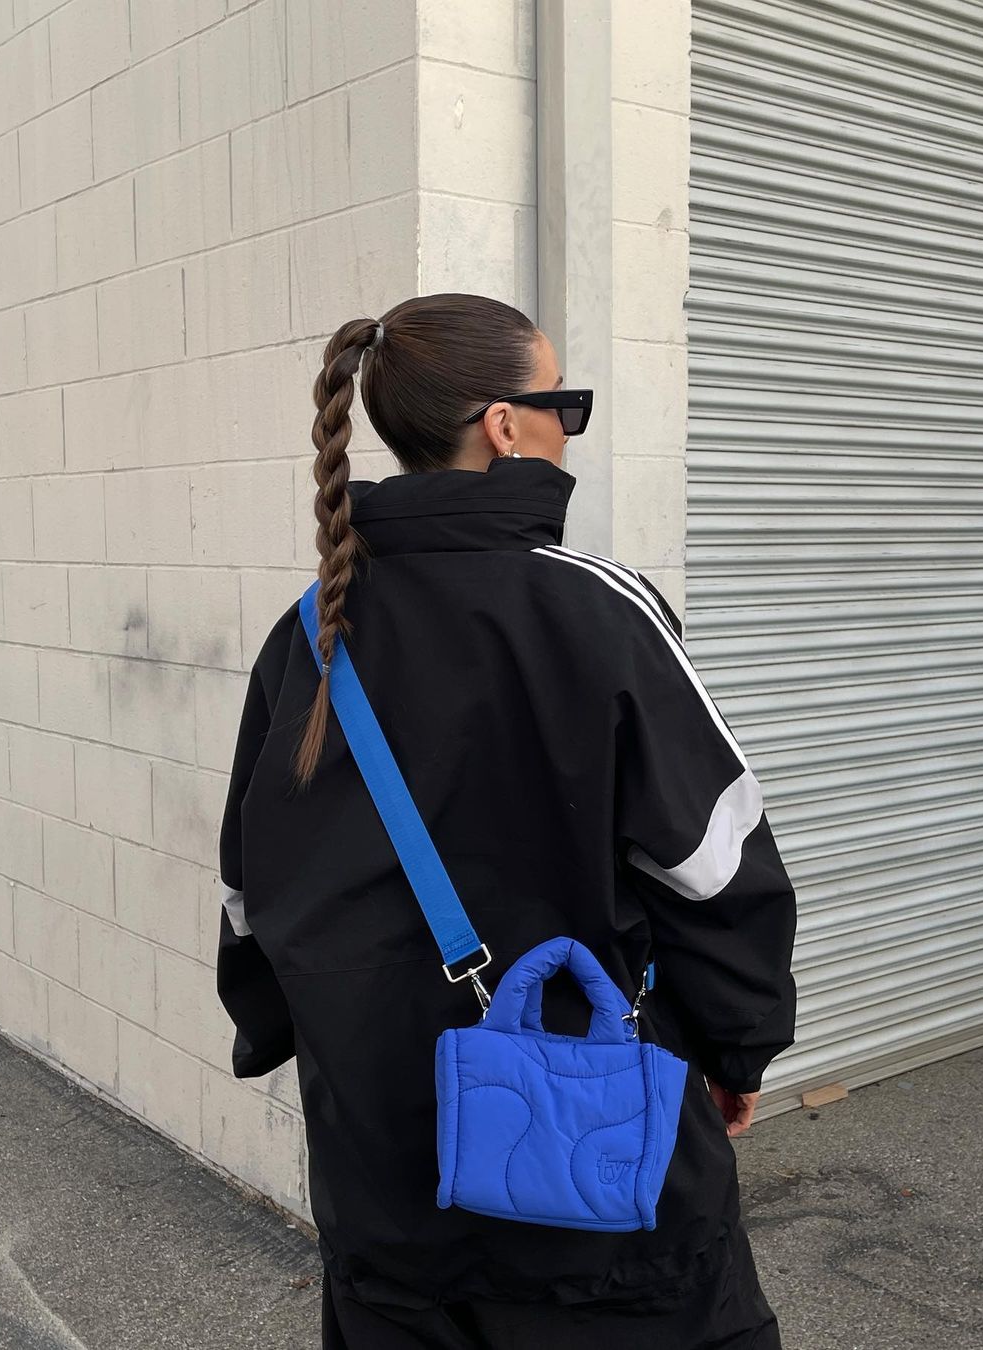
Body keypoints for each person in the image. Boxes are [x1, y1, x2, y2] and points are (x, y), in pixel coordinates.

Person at [215, 293, 798, 1349]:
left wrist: (287, 1036)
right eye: (563, 404)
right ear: (504, 426)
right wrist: (739, 1045)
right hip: (595, 1149)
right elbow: (717, 865)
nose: (570, 429)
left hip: (385, 1166)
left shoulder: (309, 635)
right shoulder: (600, 609)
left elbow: (252, 892)